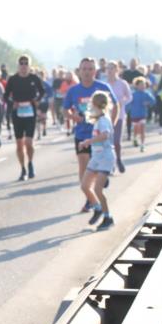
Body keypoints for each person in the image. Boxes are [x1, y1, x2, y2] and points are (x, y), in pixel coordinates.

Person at [63, 57, 117, 212]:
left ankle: (101, 179)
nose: (87, 72)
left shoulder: (102, 87)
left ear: (95, 71)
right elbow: (65, 109)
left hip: (100, 135)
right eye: (84, 69)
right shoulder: (73, 90)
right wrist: (74, 117)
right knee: (84, 165)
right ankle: (89, 198)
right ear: (79, 71)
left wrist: (111, 123)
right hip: (82, 134)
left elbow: (116, 105)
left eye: (90, 69)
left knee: (99, 162)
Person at [3, 55, 45, 181]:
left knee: (28, 142)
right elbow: (5, 96)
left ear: (29, 65)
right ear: (18, 65)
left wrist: (37, 100)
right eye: (21, 63)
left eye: (26, 63)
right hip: (17, 113)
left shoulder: (34, 78)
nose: (23, 65)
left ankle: (30, 163)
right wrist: (12, 103)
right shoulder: (13, 79)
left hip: (30, 111)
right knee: (19, 144)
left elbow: (42, 92)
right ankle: (23, 169)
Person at [78, 91, 116, 230]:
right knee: (85, 185)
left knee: (98, 189)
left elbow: (105, 135)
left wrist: (88, 141)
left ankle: (108, 217)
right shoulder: (98, 120)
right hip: (96, 157)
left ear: (96, 104)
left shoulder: (104, 120)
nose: (90, 107)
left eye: (91, 104)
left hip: (105, 157)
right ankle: (97, 208)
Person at [105, 61, 132, 173]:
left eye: (112, 68)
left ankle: (119, 159)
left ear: (117, 70)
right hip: (106, 116)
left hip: (119, 116)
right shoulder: (104, 84)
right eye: (108, 68)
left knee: (116, 141)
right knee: (108, 141)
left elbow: (130, 97)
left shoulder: (122, 83)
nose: (110, 70)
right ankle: (111, 164)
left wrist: (122, 102)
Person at [127, 77, 156, 151]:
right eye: (140, 85)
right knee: (136, 129)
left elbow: (153, 101)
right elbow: (128, 104)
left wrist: (148, 103)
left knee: (142, 129)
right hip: (134, 114)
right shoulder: (133, 94)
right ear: (136, 86)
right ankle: (135, 139)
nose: (142, 86)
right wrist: (128, 110)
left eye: (144, 85)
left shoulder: (147, 94)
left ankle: (142, 145)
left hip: (143, 114)